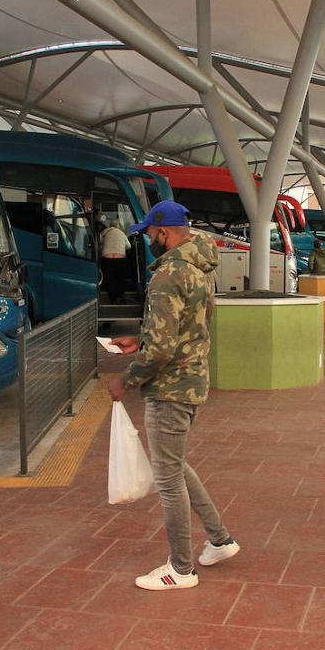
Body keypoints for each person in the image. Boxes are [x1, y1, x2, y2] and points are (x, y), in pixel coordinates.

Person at [107, 201, 237, 591]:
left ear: (164, 232)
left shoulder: (167, 274)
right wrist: (141, 339)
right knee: (174, 464)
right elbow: (179, 329)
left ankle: (180, 569)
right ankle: (220, 539)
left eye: (149, 233)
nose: (147, 239)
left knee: (167, 479)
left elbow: (162, 351)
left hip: (170, 389)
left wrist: (126, 380)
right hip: (192, 380)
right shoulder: (198, 268)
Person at [100, 217, 132, 304]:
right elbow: (129, 246)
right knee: (120, 279)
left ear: (109, 226)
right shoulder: (121, 233)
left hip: (107, 259)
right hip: (120, 259)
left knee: (110, 279)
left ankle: (112, 299)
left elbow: (99, 242)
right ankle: (120, 297)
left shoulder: (104, 232)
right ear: (118, 226)